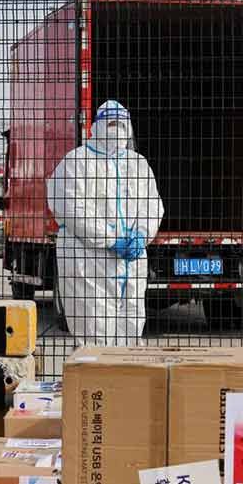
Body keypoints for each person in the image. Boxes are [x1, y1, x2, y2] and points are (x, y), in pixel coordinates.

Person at [47, 100, 164, 346]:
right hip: (88, 259)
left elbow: (153, 205)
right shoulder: (76, 162)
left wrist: (141, 234)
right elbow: (73, 209)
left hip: (131, 262)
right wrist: (111, 239)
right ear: (96, 127)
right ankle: (95, 380)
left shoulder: (138, 164)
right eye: (111, 124)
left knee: (131, 324)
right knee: (94, 325)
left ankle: (126, 379)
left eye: (122, 125)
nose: (117, 129)